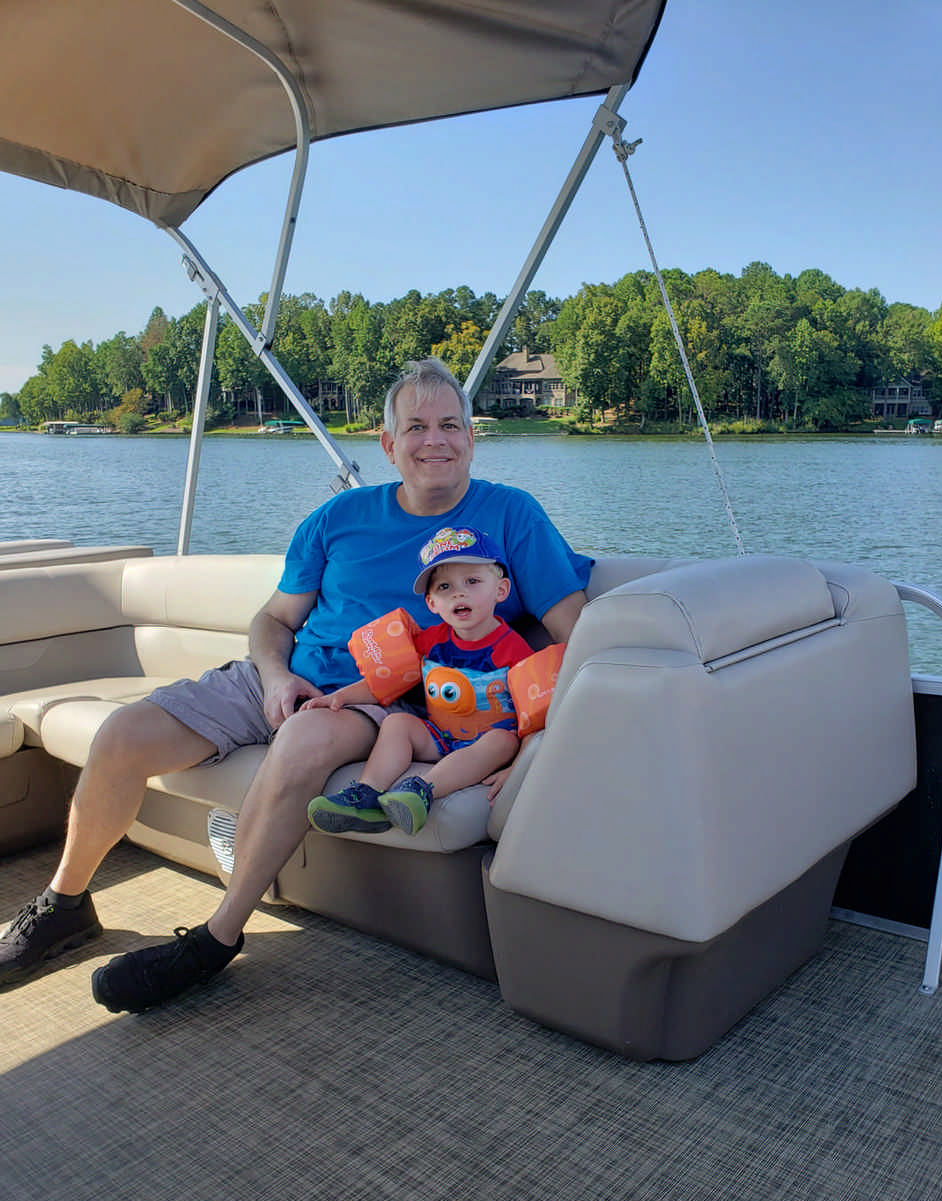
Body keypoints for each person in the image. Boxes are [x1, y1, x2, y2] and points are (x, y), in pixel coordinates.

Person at [0, 357, 592, 1014]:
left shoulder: (513, 516)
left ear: (472, 438)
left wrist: (534, 744)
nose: (436, 440)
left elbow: (577, 636)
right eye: (416, 426)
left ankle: (214, 939)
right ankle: (65, 904)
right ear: (388, 444)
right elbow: (275, 619)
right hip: (281, 675)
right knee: (123, 733)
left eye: (450, 424)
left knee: (305, 739)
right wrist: (276, 677)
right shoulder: (336, 519)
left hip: (387, 701)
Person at [305, 525, 535, 837]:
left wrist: (516, 768)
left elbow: (532, 718)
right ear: (431, 604)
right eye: (444, 587)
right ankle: (367, 796)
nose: (458, 592)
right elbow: (388, 682)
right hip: (438, 737)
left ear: (501, 590)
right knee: (398, 722)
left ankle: (421, 791)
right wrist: (340, 697)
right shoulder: (429, 641)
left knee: (503, 740)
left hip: (488, 745)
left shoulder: (514, 649)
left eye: (472, 581)